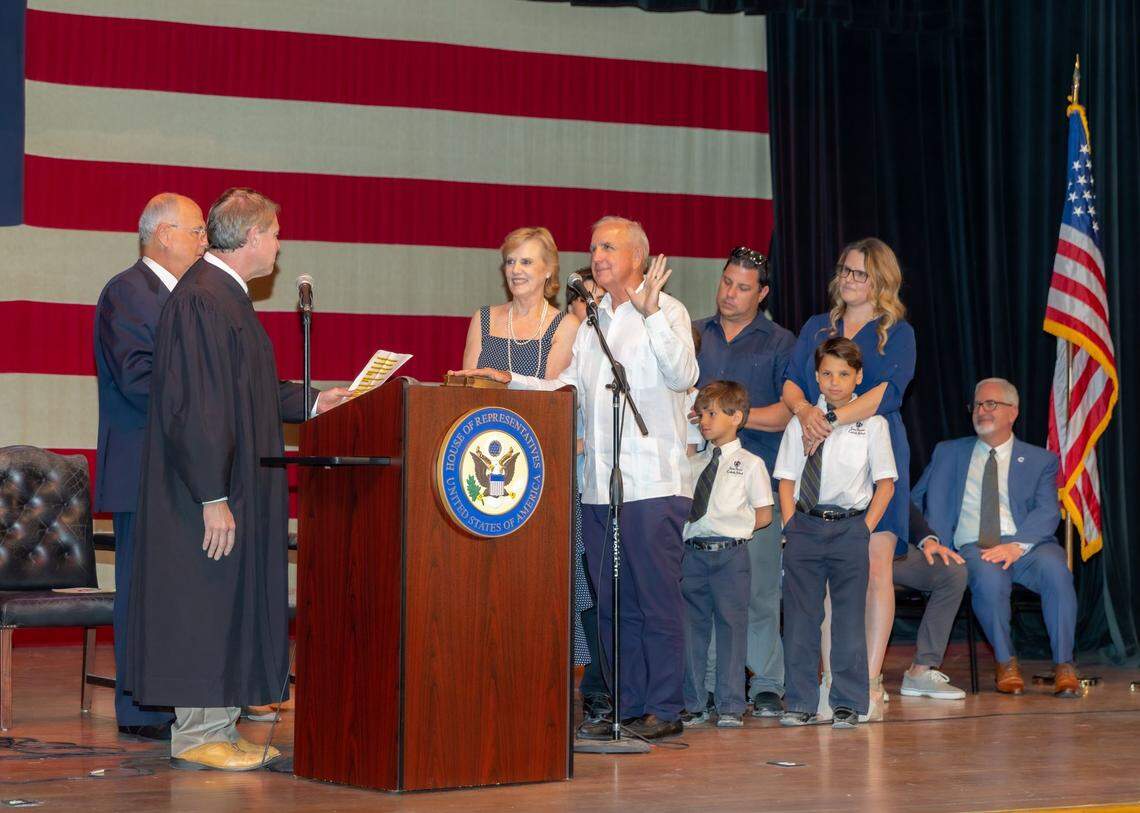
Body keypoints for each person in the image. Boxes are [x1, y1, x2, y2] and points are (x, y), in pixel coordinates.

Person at [126, 188, 350, 771]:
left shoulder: (223, 296)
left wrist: (316, 401)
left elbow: (247, 394)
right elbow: (197, 409)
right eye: (274, 234)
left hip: (224, 484)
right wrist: (213, 495)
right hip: (202, 491)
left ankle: (221, 728)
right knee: (204, 598)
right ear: (251, 238)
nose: (279, 245)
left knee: (225, 598)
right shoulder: (203, 299)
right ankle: (199, 735)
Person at [452, 215, 698, 740]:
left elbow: (684, 376)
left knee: (655, 599)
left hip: (652, 485)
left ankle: (665, 708)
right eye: (593, 247)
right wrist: (509, 377)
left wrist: (652, 314)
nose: (597, 256)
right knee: (613, 605)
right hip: (599, 486)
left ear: (637, 256)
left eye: (608, 247)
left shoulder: (668, 311)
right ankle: (626, 706)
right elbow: (566, 388)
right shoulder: (592, 325)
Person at [781, 237, 914, 720]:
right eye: (845, 270)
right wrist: (804, 411)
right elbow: (791, 380)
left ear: (881, 279)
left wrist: (831, 419)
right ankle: (832, 681)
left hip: (873, 450)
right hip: (817, 449)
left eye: (860, 272)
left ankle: (870, 680)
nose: (849, 279)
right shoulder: (817, 326)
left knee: (874, 567)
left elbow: (887, 392)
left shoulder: (897, 331)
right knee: (825, 577)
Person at [94, 192, 206, 740]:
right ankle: (142, 708)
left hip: (176, 469)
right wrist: (207, 404)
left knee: (172, 593)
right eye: (197, 230)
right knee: (141, 592)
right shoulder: (128, 292)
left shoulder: (186, 298)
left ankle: (173, 697)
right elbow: (138, 379)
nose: (205, 241)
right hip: (142, 470)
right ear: (164, 234)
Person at [911, 378, 1079, 697]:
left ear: (1012, 412)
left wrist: (1016, 546)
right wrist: (925, 539)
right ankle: (1006, 663)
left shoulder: (1040, 460)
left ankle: (1064, 665)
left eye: (991, 404)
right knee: (989, 579)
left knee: (1057, 572)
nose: (981, 411)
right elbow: (913, 500)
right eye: (977, 404)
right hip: (973, 546)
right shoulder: (948, 453)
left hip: (1027, 545)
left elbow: (1048, 511)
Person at [693, 246, 794, 717]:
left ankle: (767, 682)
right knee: (708, 591)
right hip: (702, 484)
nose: (730, 293)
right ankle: (715, 682)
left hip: (758, 482)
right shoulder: (694, 333)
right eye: (727, 282)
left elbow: (786, 413)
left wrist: (725, 417)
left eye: (743, 287)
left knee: (759, 591)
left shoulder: (780, 342)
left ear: (763, 293)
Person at [775, 338, 897, 729]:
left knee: (848, 619)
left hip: (849, 528)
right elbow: (786, 479)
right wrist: (790, 525)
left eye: (844, 374)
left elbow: (886, 484)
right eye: (827, 373)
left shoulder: (874, 424)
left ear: (858, 377)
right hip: (805, 526)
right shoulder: (800, 423)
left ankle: (847, 702)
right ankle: (800, 701)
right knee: (800, 619)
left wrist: (864, 528)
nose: (834, 381)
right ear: (816, 376)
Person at [680, 381, 773, 729]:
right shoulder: (693, 464)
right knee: (692, 629)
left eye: (712, 414)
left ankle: (731, 704)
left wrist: (735, 529)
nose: (704, 421)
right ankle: (694, 702)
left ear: (736, 417)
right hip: (693, 554)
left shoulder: (750, 464)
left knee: (732, 628)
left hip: (730, 555)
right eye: (702, 414)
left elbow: (764, 513)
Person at [461, 226, 579, 379]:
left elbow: (552, 391)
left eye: (526, 262)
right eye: (510, 261)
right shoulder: (484, 318)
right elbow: (467, 387)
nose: (515, 270)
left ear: (549, 270)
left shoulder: (565, 325)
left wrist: (508, 380)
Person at [893, 502, 968, 699]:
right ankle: (862, 677)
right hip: (849, 543)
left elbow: (903, 504)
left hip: (890, 547)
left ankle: (920, 672)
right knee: (863, 574)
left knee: (952, 572)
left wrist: (928, 540)